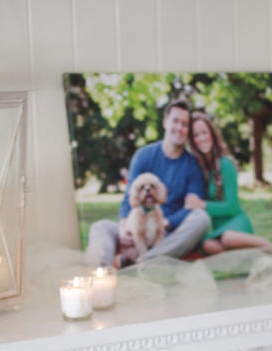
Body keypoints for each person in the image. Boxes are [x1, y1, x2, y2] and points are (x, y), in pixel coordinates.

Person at [86, 99, 210, 267]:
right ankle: (102, 275)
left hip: (168, 234)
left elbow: (191, 208)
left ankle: (147, 261)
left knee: (201, 218)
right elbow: (128, 197)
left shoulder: (192, 165)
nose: (179, 128)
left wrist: (166, 223)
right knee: (100, 227)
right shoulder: (144, 155)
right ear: (166, 122)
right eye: (175, 121)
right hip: (137, 225)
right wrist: (124, 227)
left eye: (185, 124)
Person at [184, 112, 272, 258]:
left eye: (204, 132)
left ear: (211, 134)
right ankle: (256, 257)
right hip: (219, 227)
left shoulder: (226, 164)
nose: (201, 138)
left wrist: (202, 205)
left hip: (235, 222)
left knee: (228, 239)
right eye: (196, 135)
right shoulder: (199, 169)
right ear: (192, 141)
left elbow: (232, 207)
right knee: (208, 246)